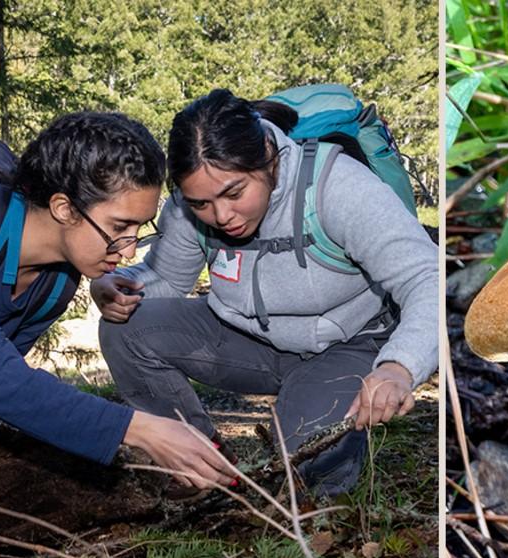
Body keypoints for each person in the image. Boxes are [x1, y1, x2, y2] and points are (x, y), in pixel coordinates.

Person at [0, 112, 236, 493]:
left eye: (140, 228)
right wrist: (140, 429)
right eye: (120, 227)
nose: (129, 250)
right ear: (63, 208)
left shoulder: (56, 283)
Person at [91, 89, 438, 497]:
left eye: (235, 193)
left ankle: (322, 434)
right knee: (127, 330)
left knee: (304, 470)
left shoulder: (336, 187)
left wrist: (399, 367)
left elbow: (425, 277)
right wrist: (116, 288)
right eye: (201, 203)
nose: (222, 216)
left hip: (350, 343)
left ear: (269, 158)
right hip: (248, 339)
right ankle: (198, 462)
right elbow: (164, 277)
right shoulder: (190, 205)